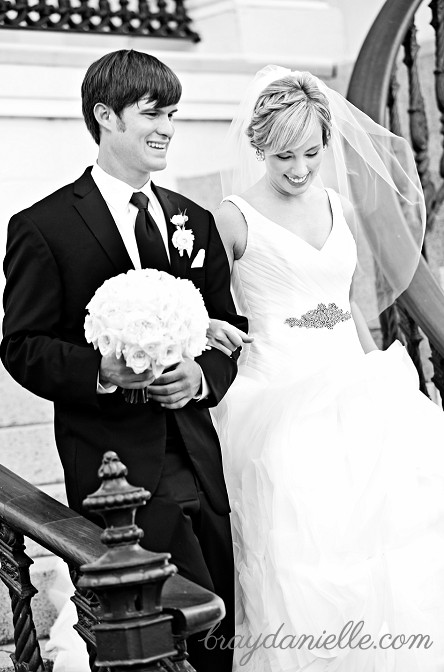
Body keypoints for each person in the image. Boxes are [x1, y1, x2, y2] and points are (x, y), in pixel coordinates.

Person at [0, 50, 247, 672]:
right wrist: (102, 373)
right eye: (152, 113)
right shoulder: (44, 225)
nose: (166, 127)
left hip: (196, 453)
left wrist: (202, 378)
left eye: (173, 114)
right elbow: (22, 346)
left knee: (219, 620)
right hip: (114, 467)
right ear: (105, 116)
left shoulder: (193, 219)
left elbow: (229, 328)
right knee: (159, 625)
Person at [211, 67, 444, 670]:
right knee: (300, 543)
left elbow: (344, 304)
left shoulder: (337, 204)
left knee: (391, 539)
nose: (299, 168)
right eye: (285, 155)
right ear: (258, 146)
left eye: (312, 152)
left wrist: (381, 374)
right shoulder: (233, 218)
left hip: (351, 379)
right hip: (275, 389)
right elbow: (211, 310)